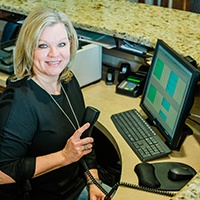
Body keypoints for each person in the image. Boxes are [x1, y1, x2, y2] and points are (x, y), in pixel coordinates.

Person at [0, 7, 110, 200]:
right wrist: (64, 157)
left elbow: (82, 141)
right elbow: (2, 173)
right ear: (28, 47)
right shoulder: (19, 102)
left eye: (61, 44)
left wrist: (94, 182)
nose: (54, 54)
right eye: (43, 46)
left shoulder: (68, 80)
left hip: (79, 185)